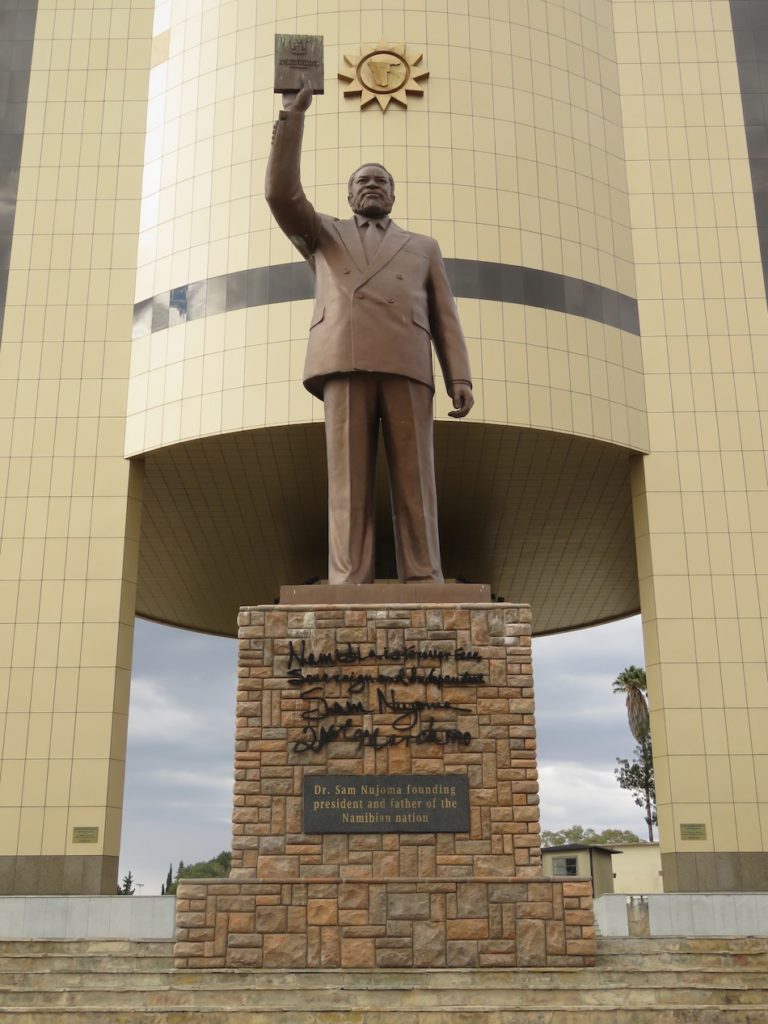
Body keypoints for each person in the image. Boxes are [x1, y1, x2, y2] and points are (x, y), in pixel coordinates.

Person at [266, 78, 473, 584]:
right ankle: (347, 578)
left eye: (381, 181)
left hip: (407, 362)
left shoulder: (423, 246)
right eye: (363, 181)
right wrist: (293, 117)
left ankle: (424, 576)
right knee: (348, 484)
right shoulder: (323, 234)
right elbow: (280, 193)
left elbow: (445, 315)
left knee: (415, 481)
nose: (373, 186)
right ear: (349, 195)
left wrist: (459, 377)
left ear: (394, 195)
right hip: (344, 359)